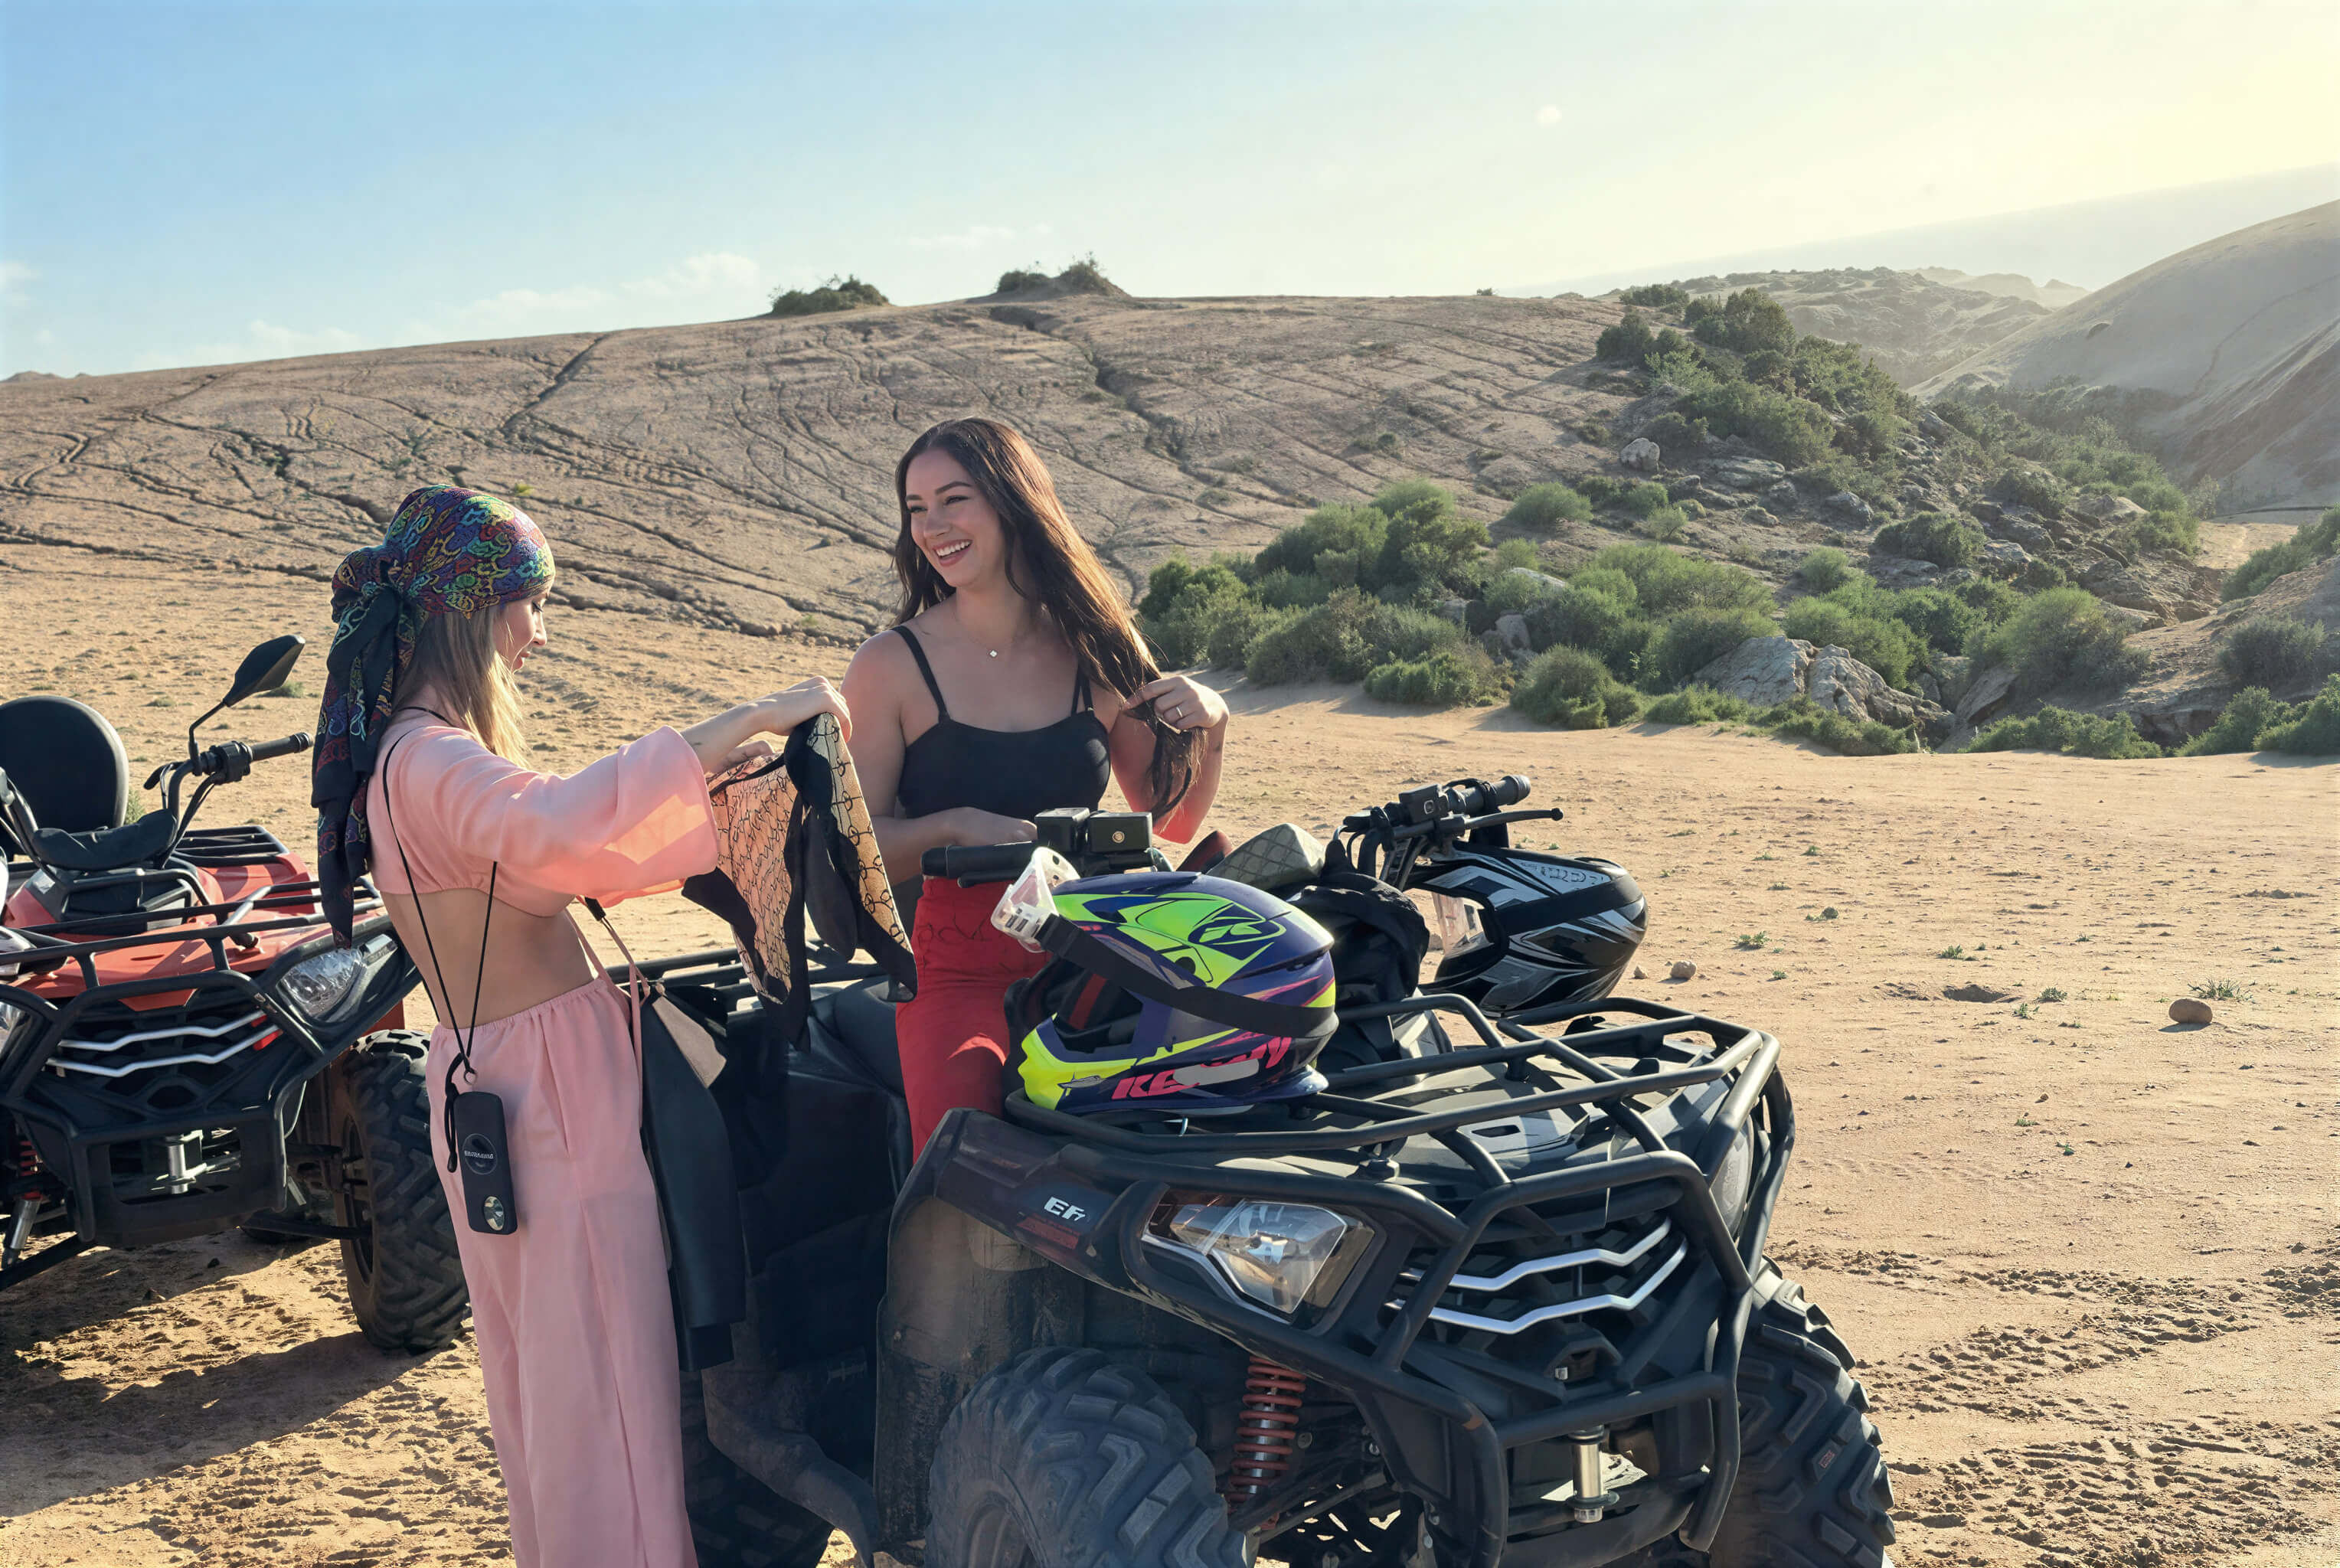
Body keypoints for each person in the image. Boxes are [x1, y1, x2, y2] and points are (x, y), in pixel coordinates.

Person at [311, 485, 848, 1568]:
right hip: (547, 1086)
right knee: (604, 1384)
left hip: (500, 1081)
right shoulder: (430, 758)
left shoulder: (405, 756)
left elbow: (566, 839)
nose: (540, 634)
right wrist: (740, 723)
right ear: (474, 611)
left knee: (559, 1387)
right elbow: (559, 825)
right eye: (531, 604)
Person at [841, 418, 1230, 1153]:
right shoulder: (890, 664)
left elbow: (1171, 824)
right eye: (917, 508)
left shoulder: (1097, 647)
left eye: (954, 499)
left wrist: (1213, 726)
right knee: (965, 1162)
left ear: (1014, 502)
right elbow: (858, 850)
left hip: (1092, 952)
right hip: (956, 967)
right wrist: (954, 827)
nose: (933, 526)